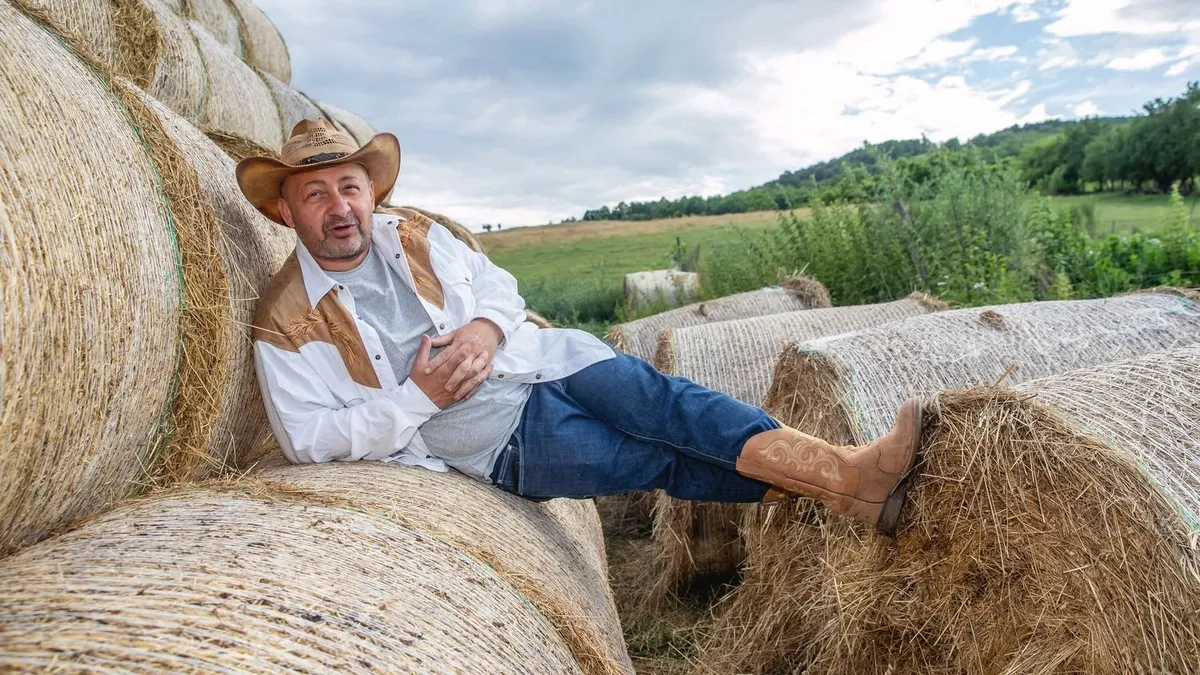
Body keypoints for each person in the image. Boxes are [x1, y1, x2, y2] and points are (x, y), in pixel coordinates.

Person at [236, 120, 923, 535]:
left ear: (371, 191)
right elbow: (307, 440)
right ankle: (849, 488)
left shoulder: (412, 234)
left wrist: (483, 329)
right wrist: (420, 398)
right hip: (503, 442)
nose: (339, 206)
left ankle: (851, 474)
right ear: (285, 213)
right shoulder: (285, 320)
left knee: (672, 404)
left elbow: (497, 288)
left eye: (348, 186)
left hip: (547, 361)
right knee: (660, 458)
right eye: (315, 193)